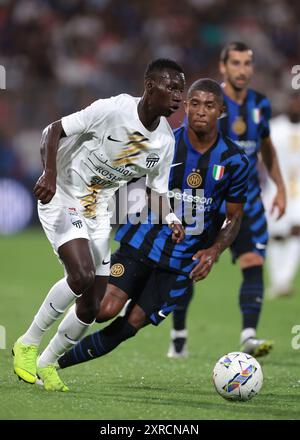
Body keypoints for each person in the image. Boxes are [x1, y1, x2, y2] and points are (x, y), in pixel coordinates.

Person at [53, 78, 250, 390]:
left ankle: (53, 365)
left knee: (131, 324)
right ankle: (48, 355)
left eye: (209, 105)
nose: (200, 111)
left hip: (181, 263)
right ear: (185, 107)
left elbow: (235, 217)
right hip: (140, 242)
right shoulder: (164, 142)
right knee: (104, 309)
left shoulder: (235, 161)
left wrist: (214, 251)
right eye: (194, 103)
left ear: (221, 111)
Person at [12, 58, 186, 391]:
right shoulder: (114, 109)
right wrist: (49, 173)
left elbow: (156, 191)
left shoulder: (164, 141)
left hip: (97, 208)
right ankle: (27, 342)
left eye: (182, 89)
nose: (179, 96)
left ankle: (47, 364)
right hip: (63, 192)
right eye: (172, 87)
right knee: (81, 276)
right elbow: (53, 130)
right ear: (150, 86)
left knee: (92, 306)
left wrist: (172, 218)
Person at [168, 42, 286, 359]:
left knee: (253, 262)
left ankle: (248, 335)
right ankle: (178, 331)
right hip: (205, 200)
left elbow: (267, 148)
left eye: (248, 63)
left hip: (245, 197)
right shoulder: (209, 101)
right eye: (235, 63)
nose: (242, 69)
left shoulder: (260, 103)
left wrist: (281, 187)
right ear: (223, 67)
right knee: (189, 265)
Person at [262, 93, 300, 298]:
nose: (296, 106)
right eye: (294, 101)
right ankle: (278, 281)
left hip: (299, 192)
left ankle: (284, 280)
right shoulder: (275, 127)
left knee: (296, 232)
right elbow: (263, 155)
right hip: (276, 190)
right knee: (276, 237)